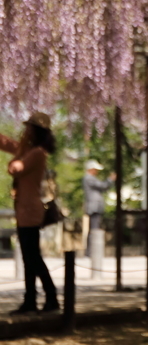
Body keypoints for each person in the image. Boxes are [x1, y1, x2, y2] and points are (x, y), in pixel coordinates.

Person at [0, 113, 59, 314]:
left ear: (36, 131)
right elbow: (7, 144)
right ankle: (31, 300)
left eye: (29, 128)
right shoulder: (32, 150)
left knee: (33, 257)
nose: (25, 131)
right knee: (29, 257)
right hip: (25, 210)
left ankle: (50, 298)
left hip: (30, 211)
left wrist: (18, 152)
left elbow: (16, 168)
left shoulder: (37, 153)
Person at [83, 160, 115, 257]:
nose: (97, 171)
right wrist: (110, 179)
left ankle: (91, 252)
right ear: (91, 169)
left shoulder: (91, 178)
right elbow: (103, 185)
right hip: (94, 207)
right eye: (95, 169)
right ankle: (90, 252)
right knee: (94, 229)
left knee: (94, 228)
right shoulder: (89, 178)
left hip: (95, 207)